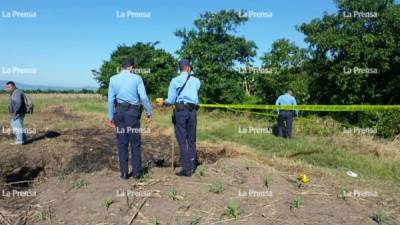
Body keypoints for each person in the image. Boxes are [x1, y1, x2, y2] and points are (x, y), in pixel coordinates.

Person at [107, 57, 152, 180]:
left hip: (119, 113)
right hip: (132, 113)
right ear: (131, 67)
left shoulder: (113, 79)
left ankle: (123, 173)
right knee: (135, 143)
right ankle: (137, 173)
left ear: (122, 66)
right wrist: (149, 112)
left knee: (122, 143)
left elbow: (111, 100)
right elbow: (143, 96)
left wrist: (110, 116)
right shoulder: (137, 78)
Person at [158, 59, 201, 177]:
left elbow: (171, 100)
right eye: (190, 67)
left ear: (180, 68)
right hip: (192, 111)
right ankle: (192, 166)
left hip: (180, 111)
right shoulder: (197, 81)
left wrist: (163, 102)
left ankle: (186, 169)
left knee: (182, 140)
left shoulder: (175, 80)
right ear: (187, 68)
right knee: (192, 140)